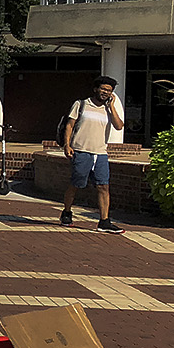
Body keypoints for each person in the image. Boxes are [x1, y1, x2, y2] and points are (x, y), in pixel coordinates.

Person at [59, 75, 126, 233]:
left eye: (109, 91)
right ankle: (66, 212)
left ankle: (104, 221)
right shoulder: (81, 104)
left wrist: (112, 107)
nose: (105, 92)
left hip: (101, 153)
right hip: (81, 151)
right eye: (103, 89)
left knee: (104, 186)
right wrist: (67, 145)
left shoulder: (109, 109)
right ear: (96, 89)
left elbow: (119, 126)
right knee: (76, 184)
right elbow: (69, 125)